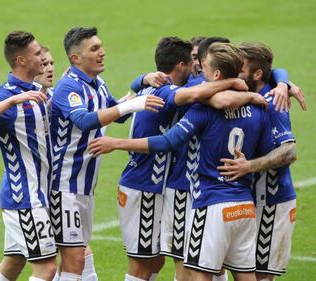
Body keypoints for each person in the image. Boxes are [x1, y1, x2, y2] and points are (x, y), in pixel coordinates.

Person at [88, 42, 277, 281]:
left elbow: (168, 141)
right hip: (240, 201)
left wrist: (116, 143)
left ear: (215, 72)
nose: (198, 66)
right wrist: (259, 91)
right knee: (206, 267)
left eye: (203, 63)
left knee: (193, 269)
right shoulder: (257, 107)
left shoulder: (199, 103)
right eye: (195, 60)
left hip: (202, 197)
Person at [48, 26, 164, 281]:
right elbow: (86, 120)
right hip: (63, 186)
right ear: (76, 58)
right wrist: (134, 104)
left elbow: (116, 111)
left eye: (101, 47)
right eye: (94, 49)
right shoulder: (69, 87)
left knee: (71, 259)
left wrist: (144, 83)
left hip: (84, 187)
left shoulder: (97, 84)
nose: (103, 52)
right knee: (75, 259)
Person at [0, 31, 57, 281]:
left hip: (38, 194)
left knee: (13, 263)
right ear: (21, 61)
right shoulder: (7, 96)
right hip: (25, 198)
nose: (43, 57)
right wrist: (10, 101)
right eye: (37, 53)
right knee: (47, 269)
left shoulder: (36, 91)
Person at [217, 43, 298, 281]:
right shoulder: (249, 97)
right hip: (246, 202)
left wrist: (248, 166)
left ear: (257, 74)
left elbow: (289, 151)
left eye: (240, 70)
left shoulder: (272, 102)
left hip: (271, 203)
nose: (234, 76)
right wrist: (285, 81)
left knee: (261, 277)